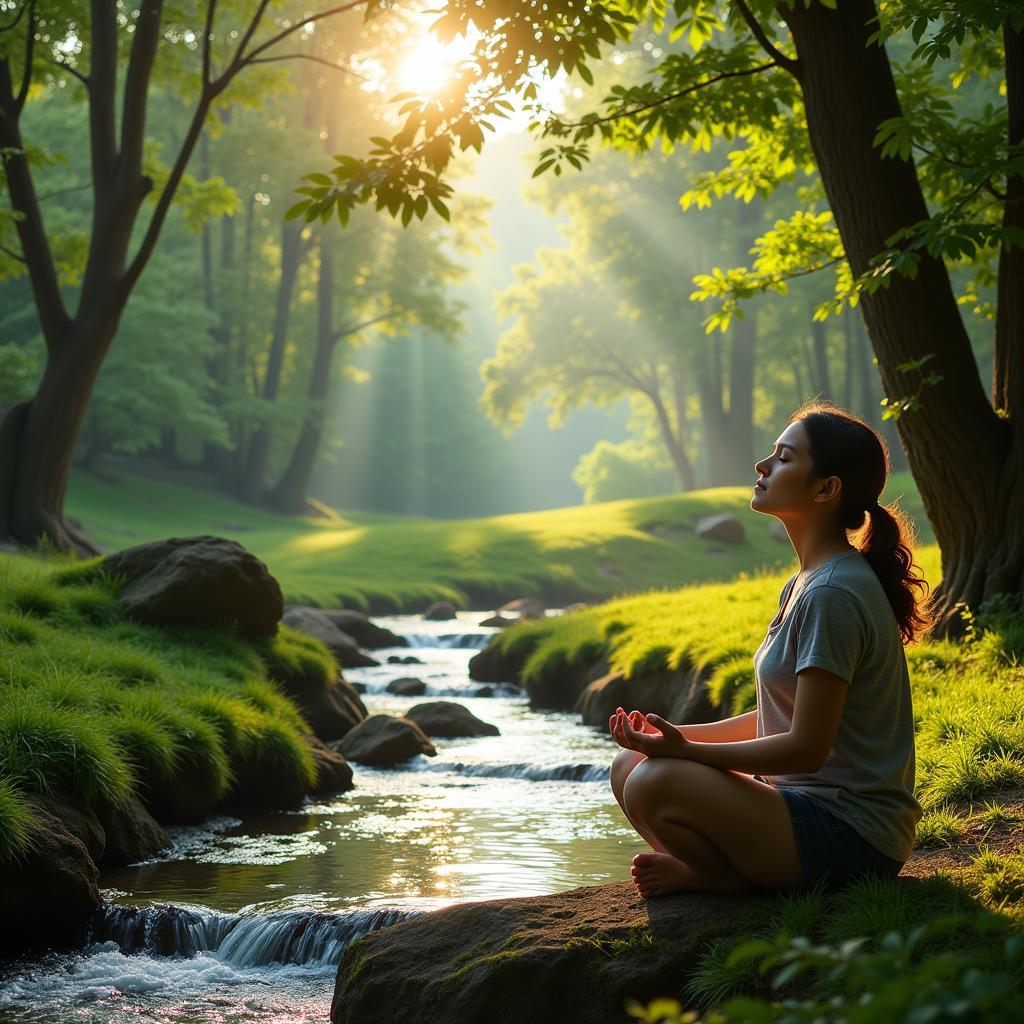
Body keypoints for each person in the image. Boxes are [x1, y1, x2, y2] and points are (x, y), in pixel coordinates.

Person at [608, 401, 933, 897]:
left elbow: (806, 746)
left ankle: (720, 879)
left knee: (654, 782)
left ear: (826, 489)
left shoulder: (833, 593)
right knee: (628, 767)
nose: (763, 466)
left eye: (784, 458)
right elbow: (776, 717)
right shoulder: (806, 582)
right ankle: (715, 870)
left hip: (852, 837)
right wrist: (670, 737)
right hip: (800, 810)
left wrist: (686, 753)